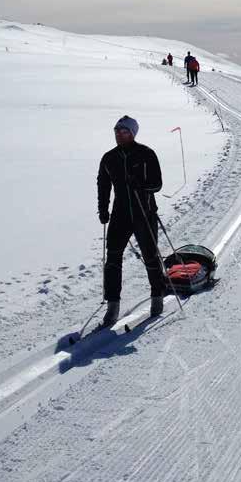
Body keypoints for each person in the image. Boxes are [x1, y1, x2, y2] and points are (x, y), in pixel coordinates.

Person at [97, 115, 165, 326]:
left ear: (132, 133)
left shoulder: (146, 154)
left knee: (150, 255)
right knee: (113, 259)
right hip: (120, 214)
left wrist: (140, 184)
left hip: (143, 211)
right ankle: (112, 306)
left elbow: (157, 184)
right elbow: (103, 184)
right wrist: (103, 209)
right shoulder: (109, 158)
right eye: (117, 131)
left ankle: (157, 297)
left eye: (124, 131)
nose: (119, 134)